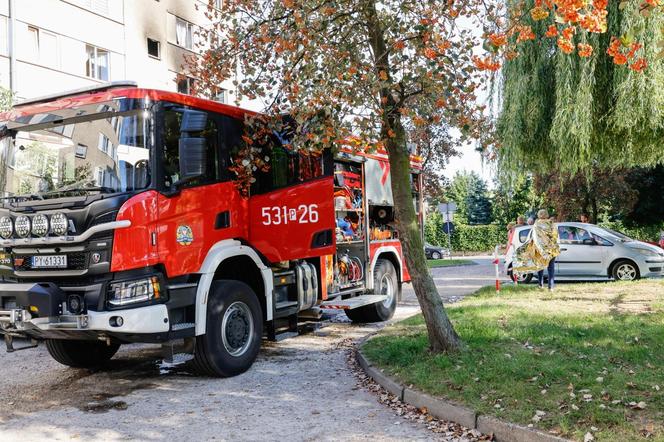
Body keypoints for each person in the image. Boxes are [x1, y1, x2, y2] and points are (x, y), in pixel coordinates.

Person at [534, 209, 560, 291]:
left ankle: (540, 284)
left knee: (540, 267)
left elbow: (534, 236)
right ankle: (551, 287)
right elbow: (556, 235)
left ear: (539, 215)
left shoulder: (536, 224)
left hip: (540, 248)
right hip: (551, 248)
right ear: (547, 215)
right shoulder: (551, 223)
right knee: (551, 267)